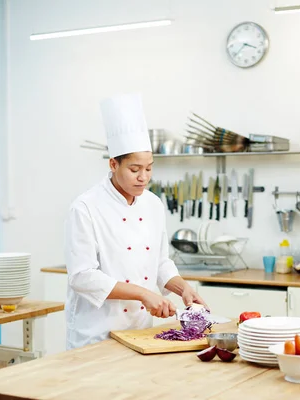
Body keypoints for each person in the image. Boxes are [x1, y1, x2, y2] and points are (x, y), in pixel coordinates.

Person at [64, 93, 208, 349]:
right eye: (134, 169)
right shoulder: (86, 207)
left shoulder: (153, 203)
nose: (144, 177)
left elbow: (160, 262)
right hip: (96, 334)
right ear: (113, 164)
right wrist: (143, 293)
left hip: (140, 333)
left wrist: (182, 288)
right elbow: (82, 277)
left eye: (149, 168)